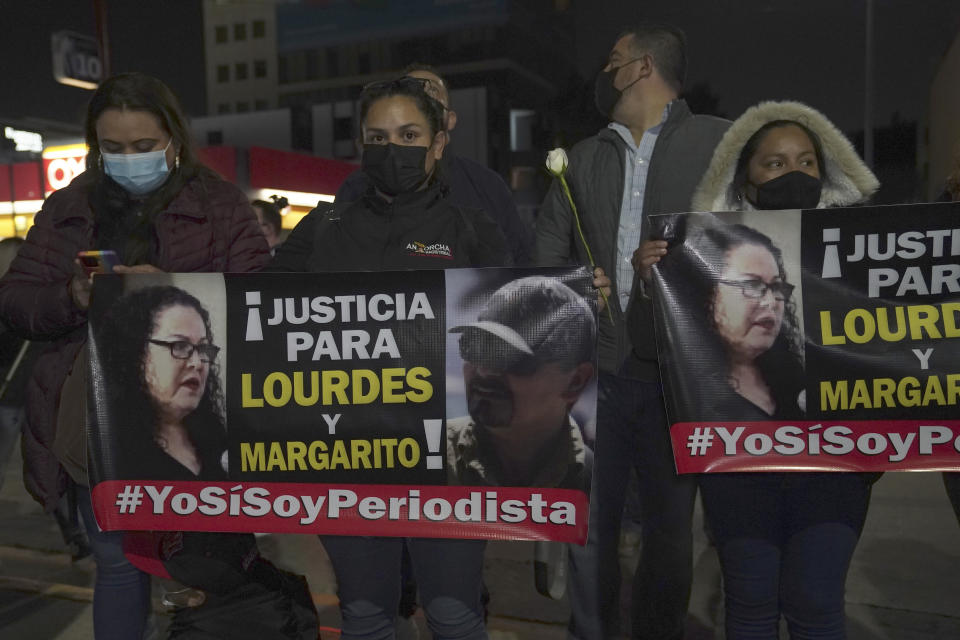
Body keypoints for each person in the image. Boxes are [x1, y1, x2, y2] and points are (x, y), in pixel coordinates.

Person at [0, 72, 270, 640]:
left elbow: (261, 298)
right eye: (113, 148)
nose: (129, 159)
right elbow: (17, 301)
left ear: (173, 136)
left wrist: (175, 288)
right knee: (118, 567)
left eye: (144, 146)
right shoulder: (68, 207)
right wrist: (70, 297)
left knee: (203, 571)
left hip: (200, 421)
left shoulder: (220, 205)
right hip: (96, 422)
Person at [268, 75, 507, 640]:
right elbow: (252, 315)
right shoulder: (321, 230)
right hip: (345, 457)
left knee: (453, 615)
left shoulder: (473, 231)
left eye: (408, 134)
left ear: (439, 142)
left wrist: (577, 302)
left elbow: (512, 332)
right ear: (359, 144)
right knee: (366, 615)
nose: (392, 149)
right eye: (377, 137)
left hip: (447, 467)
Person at [655, 100, 878, 639]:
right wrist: (657, 279)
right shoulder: (703, 253)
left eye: (806, 161)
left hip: (837, 465)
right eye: (774, 164)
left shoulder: (869, 250)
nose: (793, 173)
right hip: (739, 465)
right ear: (745, 180)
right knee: (750, 604)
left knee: (817, 604)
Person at [535, 23, 730, 640]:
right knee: (588, 524)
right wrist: (573, 281)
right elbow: (543, 258)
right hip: (597, 375)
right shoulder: (583, 158)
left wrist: (684, 264)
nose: (604, 71)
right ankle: (591, 630)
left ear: (643, 66)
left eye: (613, 60)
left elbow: (756, 247)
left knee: (671, 533)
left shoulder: (721, 145)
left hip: (680, 379)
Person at [93, 285, 317, 639]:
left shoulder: (219, 437)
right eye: (180, 346)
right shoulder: (118, 452)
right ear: (134, 351)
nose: (197, 361)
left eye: (203, 349)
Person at [336, 63, 534, 266]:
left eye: (432, 92)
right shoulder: (356, 187)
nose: (423, 98)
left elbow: (520, 262)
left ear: (450, 120)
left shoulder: (487, 185)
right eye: (411, 91)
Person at [446, 275, 596, 490]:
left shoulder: (597, 482)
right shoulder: (427, 457)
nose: (484, 369)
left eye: (512, 358)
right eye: (475, 346)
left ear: (575, 382)